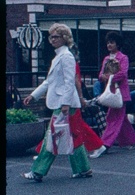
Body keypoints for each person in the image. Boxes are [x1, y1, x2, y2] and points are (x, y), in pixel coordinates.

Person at [21, 23, 93, 181]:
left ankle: (38, 171)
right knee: (72, 136)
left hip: (64, 104)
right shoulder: (61, 56)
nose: (52, 39)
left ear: (64, 38)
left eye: (56, 36)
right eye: (51, 36)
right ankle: (83, 169)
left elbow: (69, 82)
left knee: (52, 138)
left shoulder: (66, 56)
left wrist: (65, 104)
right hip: (65, 103)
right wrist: (34, 95)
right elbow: (49, 82)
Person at [98, 32, 135, 150]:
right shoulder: (106, 58)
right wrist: (103, 77)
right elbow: (101, 73)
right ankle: (132, 140)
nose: (109, 45)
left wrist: (109, 77)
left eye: (112, 42)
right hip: (110, 92)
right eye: (108, 43)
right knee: (121, 118)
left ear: (118, 44)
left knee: (113, 118)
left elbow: (123, 73)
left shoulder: (123, 58)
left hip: (120, 93)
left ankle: (105, 143)